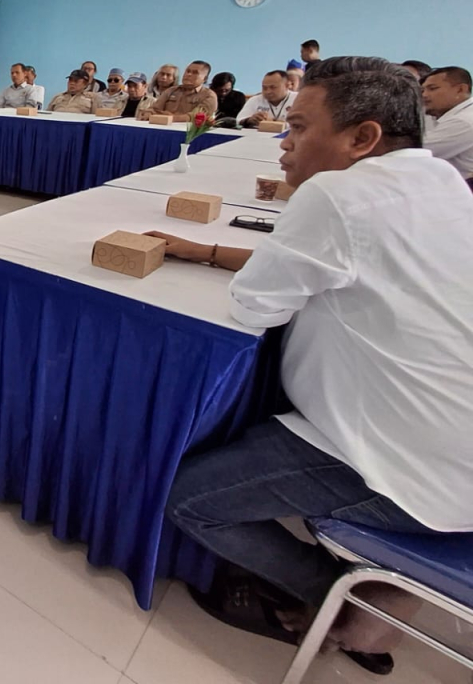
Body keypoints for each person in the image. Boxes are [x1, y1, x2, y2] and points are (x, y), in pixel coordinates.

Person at [147, 57, 473, 660]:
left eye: (297, 127)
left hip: (412, 464)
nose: (283, 143)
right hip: (459, 446)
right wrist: (216, 252)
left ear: (362, 138)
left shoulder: (337, 192)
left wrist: (288, 213)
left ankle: (348, 602)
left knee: (191, 499)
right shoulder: (442, 180)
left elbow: (253, 310)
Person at [421, 66, 473, 180]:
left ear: (461, 89)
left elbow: (417, 151)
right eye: (423, 90)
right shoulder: (436, 113)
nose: (424, 95)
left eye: (433, 88)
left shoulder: (464, 120)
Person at [150, 60, 218, 120]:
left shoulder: (209, 96)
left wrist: (170, 117)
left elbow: (196, 117)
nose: (189, 74)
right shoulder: (171, 90)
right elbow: (154, 109)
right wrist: (148, 113)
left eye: (195, 73)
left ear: (205, 78)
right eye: (187, 71)